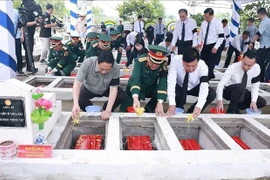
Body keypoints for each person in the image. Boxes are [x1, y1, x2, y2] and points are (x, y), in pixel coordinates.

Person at [72, 51, 126, 120]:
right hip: (89, 88)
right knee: (79, 99)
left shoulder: (115, 68)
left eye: (107, 70)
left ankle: (106, 108)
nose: (104, 72)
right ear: (97, 62)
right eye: (101, 68)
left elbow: (113, 89)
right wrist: (75, 104)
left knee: (121, 96)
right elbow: (77, 84)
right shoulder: (87, 63)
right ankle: (90, 110)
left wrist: (108, 110)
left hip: (106, 88)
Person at [166, 48, 216, 118]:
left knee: (211, 93)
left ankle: (193, 111)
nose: (190, 69)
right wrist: (172, 103)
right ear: (182, 61)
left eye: (193, 66)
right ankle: (178, 108)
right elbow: (171, 81)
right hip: (180, 86)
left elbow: (204, 86)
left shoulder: (203, 66)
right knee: (175, 93)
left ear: (198, 62)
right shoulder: (176, 60)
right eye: (187, 66)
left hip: (194, 87)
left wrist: (199, 106)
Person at [119, 45, 169, 115]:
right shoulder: (140, 61)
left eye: (157, 64)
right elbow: (136, 79)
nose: (154, 66)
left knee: (162, 93)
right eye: (152, 63)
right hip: (135, 88)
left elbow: (163, 82)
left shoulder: (163, 63)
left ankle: (149, 108)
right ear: (148, 57)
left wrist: (160, 102)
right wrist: (135, 98)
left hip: (150, 87)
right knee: (126, 110)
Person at [216, 49, 266, 114]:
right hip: (228, 91)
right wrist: (219, 100)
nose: (246, 67)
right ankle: (230, 111)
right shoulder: (233, 67)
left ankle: (237, 107)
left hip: (242, 91)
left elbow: (255, 86)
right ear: (242, 59)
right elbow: (221, 85)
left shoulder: (256, 68)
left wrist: (253, 101)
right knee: (240, 87)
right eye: (244, 63)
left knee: (261, 102)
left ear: (254, 63)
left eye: (249, 65)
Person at [199, 8, 224, 79]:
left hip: (213, 45)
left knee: (210, 63)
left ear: (212, 15)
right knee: (202, 61)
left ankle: (208, 78)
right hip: (205, 45)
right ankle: (203, 75)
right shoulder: (203, 23)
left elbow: (221, 37)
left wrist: (216, 46)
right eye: (205, 17)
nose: (206, 18)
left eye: (207, 17)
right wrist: (199, 43)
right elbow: (201, 34)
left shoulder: (218, 23)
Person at [249, 8, 270, 82]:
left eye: (258, 15)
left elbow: (258, 33)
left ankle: (259, 79)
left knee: (259, 62)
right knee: (263, 63)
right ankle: (262, 79)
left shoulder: (264, 21)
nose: (258, 17)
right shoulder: (268, 21)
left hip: (265, 46)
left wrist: (251, 42)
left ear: (260, 14)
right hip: (267, 45)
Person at [22, 0, 42, 73]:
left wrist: (37, 20)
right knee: (28, 50)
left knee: (30, 50)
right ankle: (30, 67)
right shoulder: (25, 12)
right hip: (26, 34)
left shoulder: (30, 11)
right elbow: (25, 24)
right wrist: (35, 22)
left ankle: (30, 66)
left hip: (30, 33)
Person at [13, 8, 24, 74]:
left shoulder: (16, 12)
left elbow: (21, 24)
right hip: (7, 36)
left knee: (18, 52)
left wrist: (22, 35)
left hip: (16, 36)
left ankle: (19, 68)